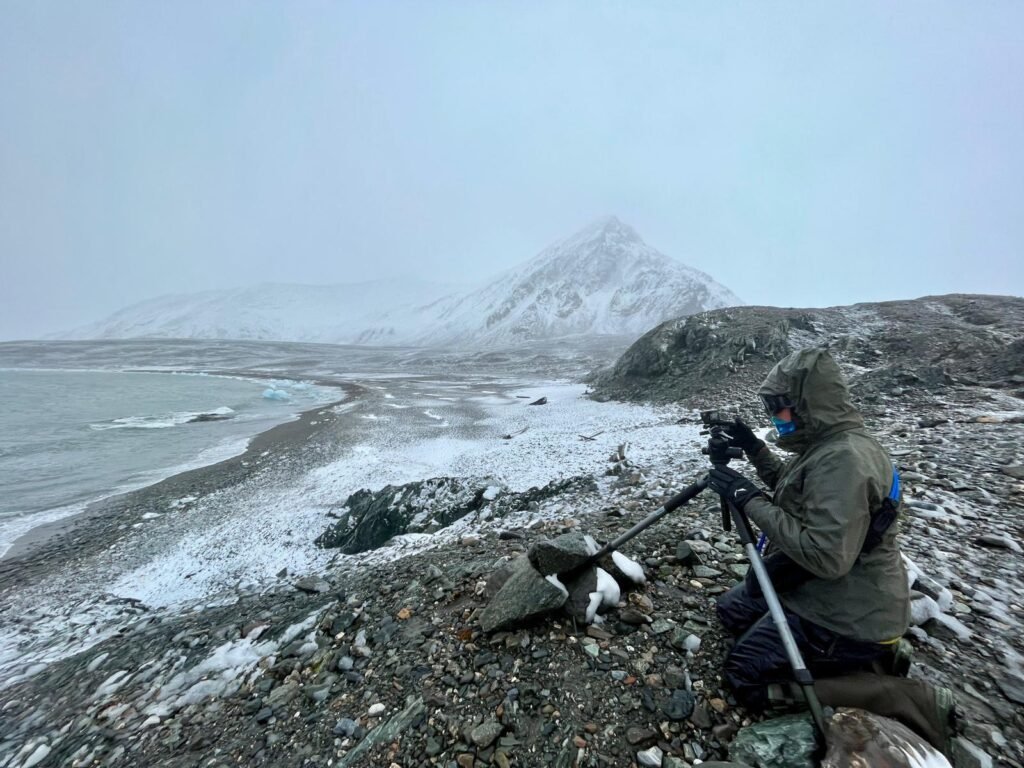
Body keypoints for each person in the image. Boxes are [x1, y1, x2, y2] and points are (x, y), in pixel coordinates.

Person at [704, 346, 957, 752]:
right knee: (732, 610)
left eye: (780, 408)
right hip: (821, 586)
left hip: (848, 611)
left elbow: (825, 554)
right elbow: (796, 492)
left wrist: (746, 498)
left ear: (807, 404)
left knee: (744, 674)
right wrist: (754, 448)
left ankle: (889, 689)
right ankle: (854, 658)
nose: (775, 418)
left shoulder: (845, 460)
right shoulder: (831, 446)